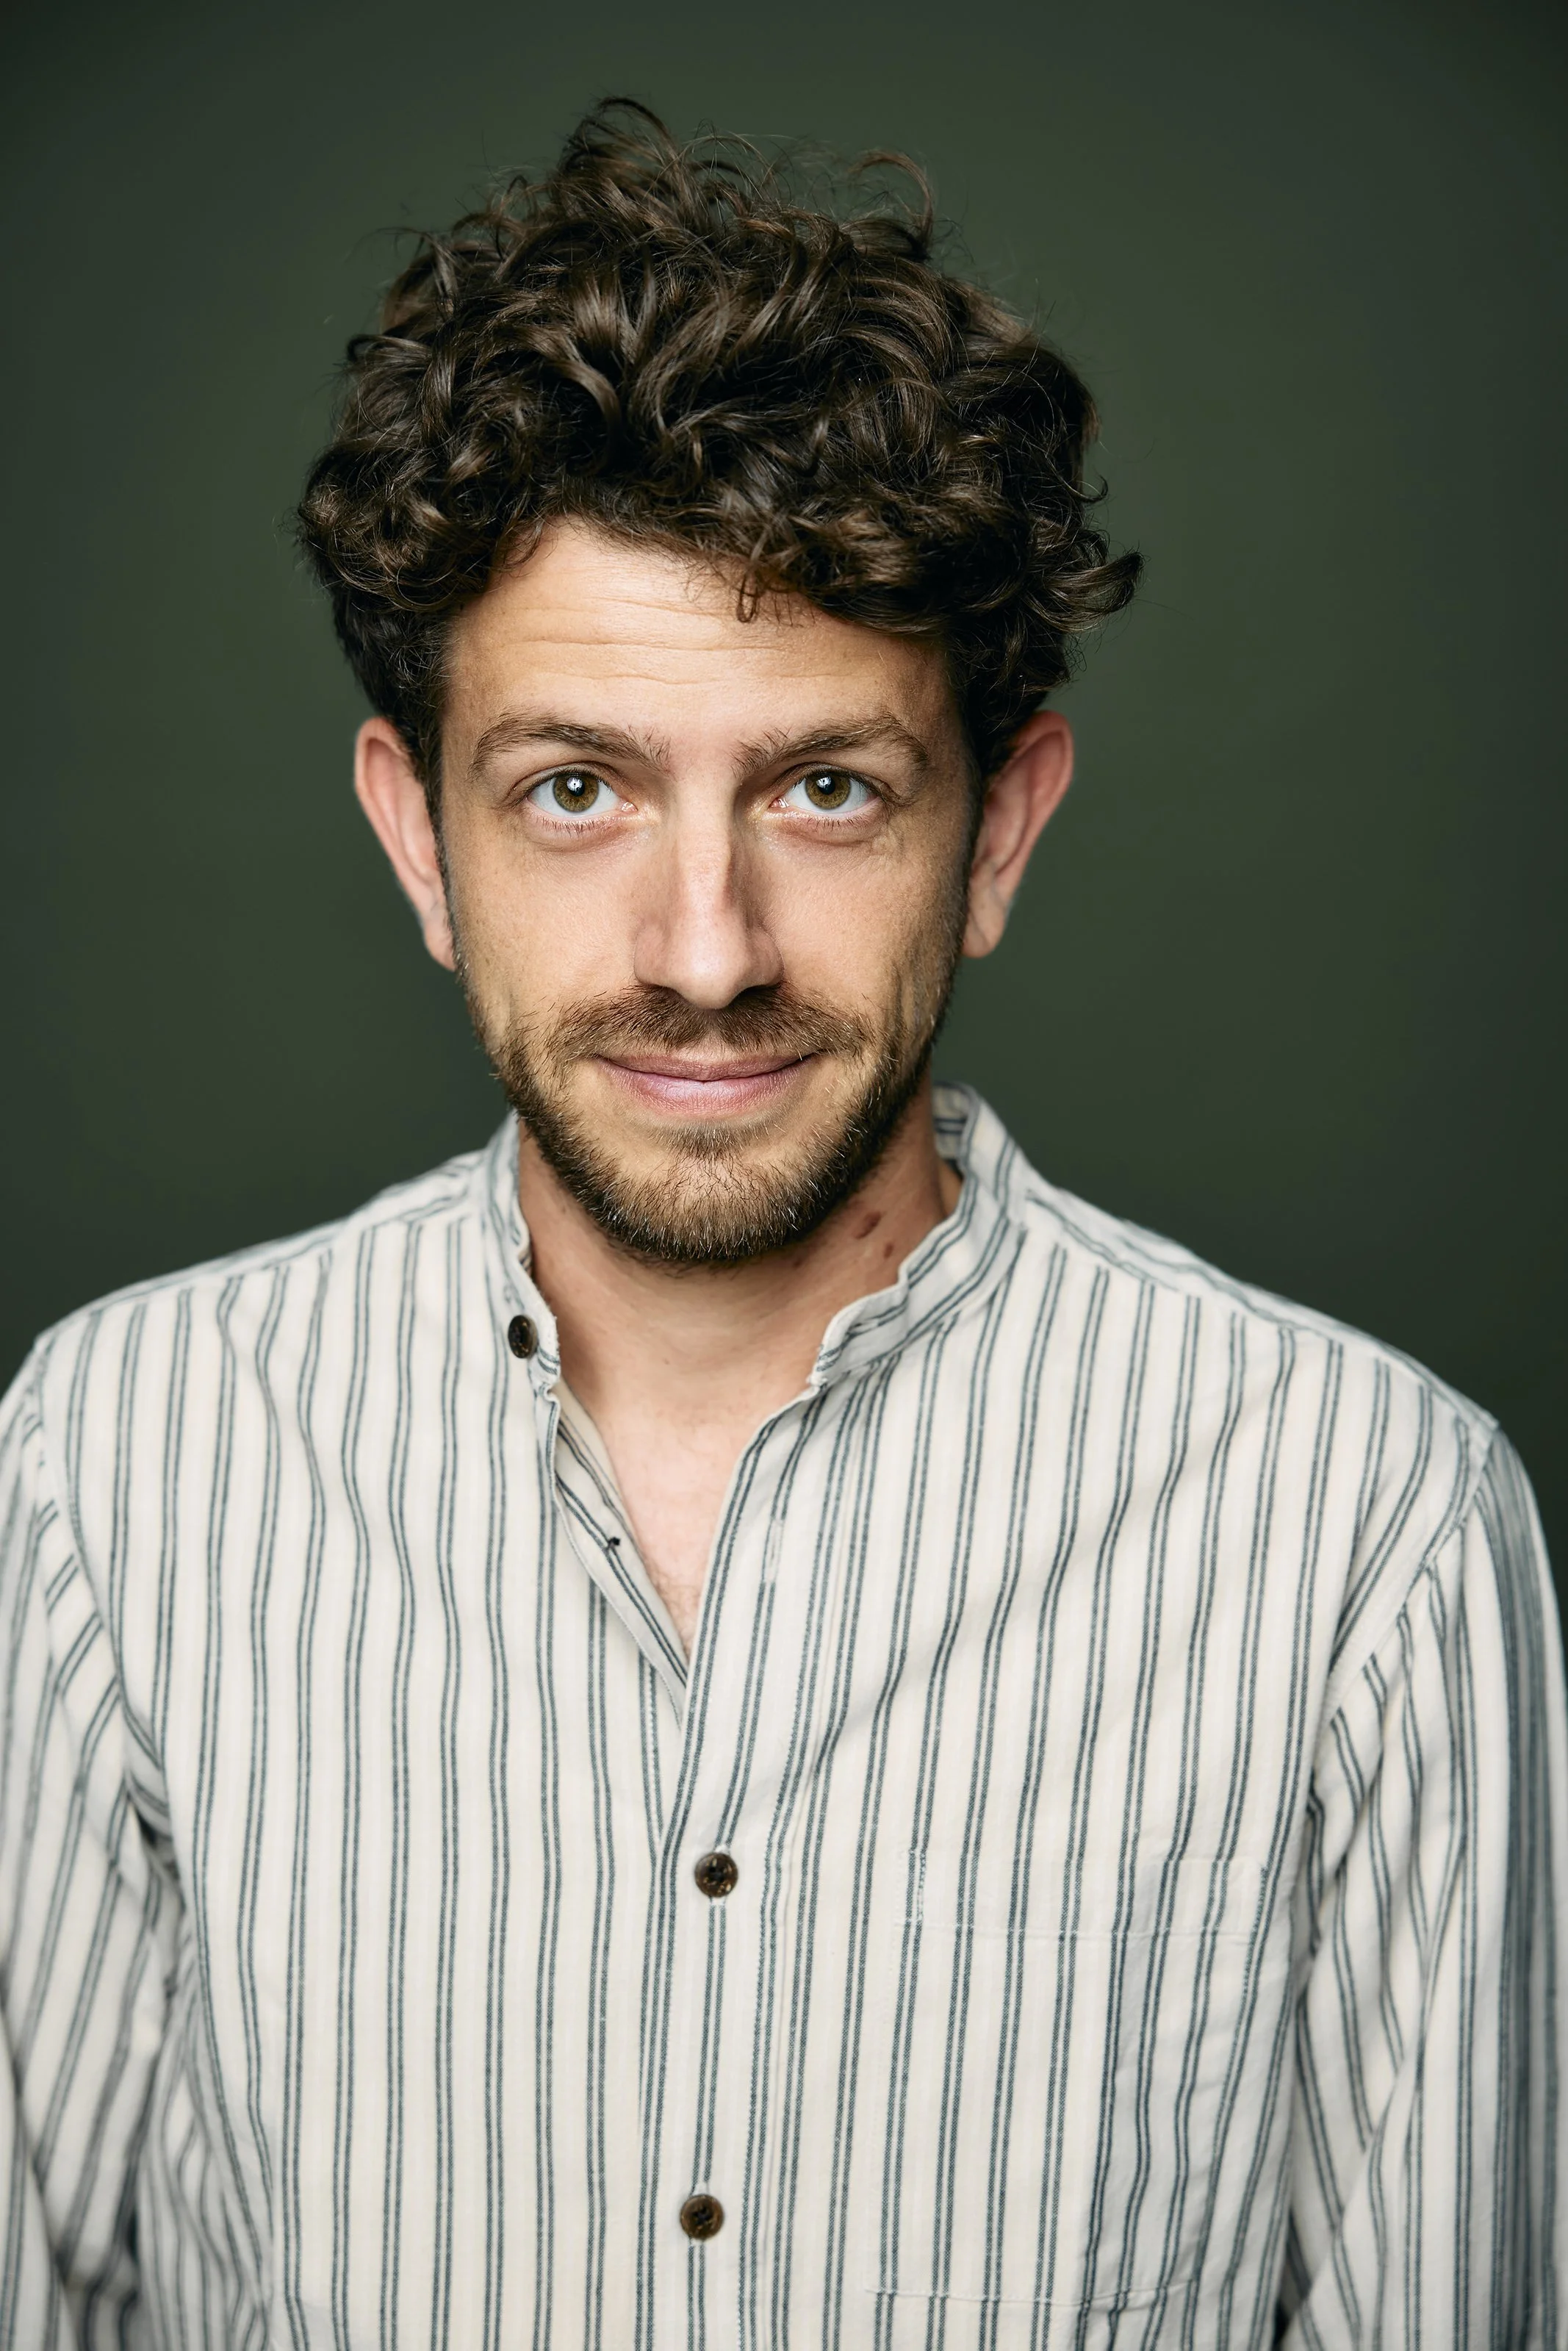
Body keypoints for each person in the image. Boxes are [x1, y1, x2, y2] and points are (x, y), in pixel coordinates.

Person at [0, 98, 1561, 2351]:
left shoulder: (1366, 1532)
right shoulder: (108, 1469)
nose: (706, 944)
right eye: (573, 789)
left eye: (826, 787)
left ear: (997, 829)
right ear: (416, 837)